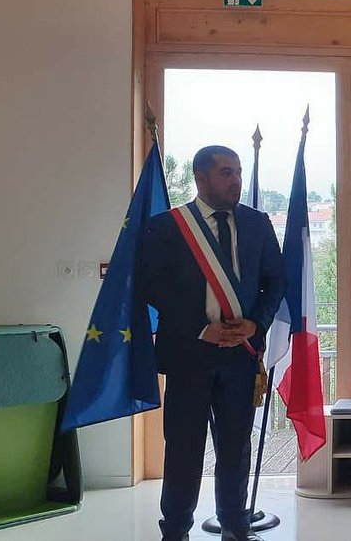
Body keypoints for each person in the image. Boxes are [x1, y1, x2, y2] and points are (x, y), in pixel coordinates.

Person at [139, 145, 285, 541]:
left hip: (240, 355)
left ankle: (235, 527)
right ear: (200, 178)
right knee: (183, 449)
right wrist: (202, 328)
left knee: (235, 448)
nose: (235, 180)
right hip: (189, 355)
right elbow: (154, 286)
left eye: (238, 171)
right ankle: (175, 530)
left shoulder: (257, 223)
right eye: (225, 173)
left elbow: (275, 280)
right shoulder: (167, 226)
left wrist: (256, 324)